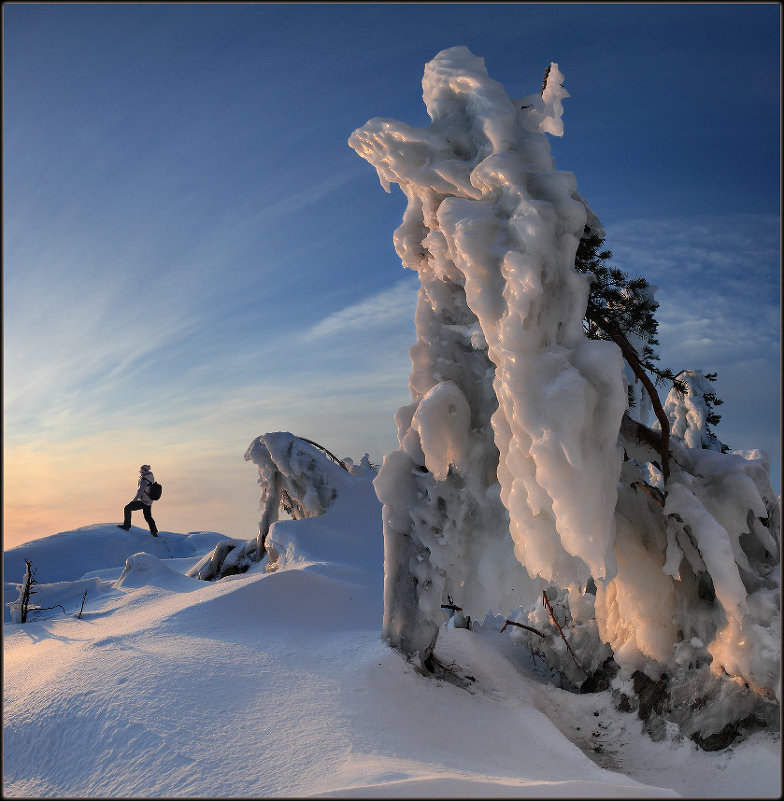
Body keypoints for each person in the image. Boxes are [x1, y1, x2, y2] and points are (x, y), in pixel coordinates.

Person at [117, 464, 159, 536]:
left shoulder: (144, 480)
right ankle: (154, 531)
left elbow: (140, 491)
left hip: (144, 501)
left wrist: (134, 500)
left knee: (127, 508)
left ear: (143, 471)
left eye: (141, 470)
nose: (140, 471)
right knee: (148, 517)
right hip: (149, 500)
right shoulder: (150, 477)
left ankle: (126, 526)